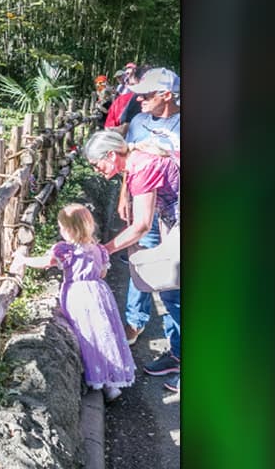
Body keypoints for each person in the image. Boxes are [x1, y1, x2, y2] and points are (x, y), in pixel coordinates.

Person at [84, 130, 181, 393]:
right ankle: (177, 356)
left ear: (112, 155)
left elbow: (141, 225)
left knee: (178, 296)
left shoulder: (142, 166)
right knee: (172, 294)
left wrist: (104, 249)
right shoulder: (136, 161)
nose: (97, 170)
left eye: (97, 164)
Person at [13, 204, 135, 401]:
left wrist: (23, 260)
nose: (61, 231)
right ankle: (112, 383)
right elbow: (103, 272)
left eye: (62, 227)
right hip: (99, 293)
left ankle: (97, 377)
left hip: (77, 295)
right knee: (104, 334)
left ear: (70, 230)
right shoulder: (99, 250)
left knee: (87, 335)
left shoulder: (65, 250)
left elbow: (47, 262)